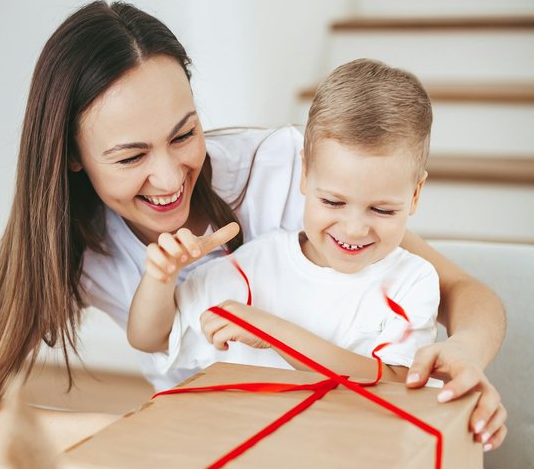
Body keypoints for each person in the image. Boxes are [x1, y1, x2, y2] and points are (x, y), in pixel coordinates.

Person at [0, 1, 506, 453]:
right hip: (207, 452)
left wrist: (464, 356)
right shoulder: (69, 243)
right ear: (72, 156)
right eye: (131, 156)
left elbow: (463, 292)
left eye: (184, 135)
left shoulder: (285, 175)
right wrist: (116, 431)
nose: (168, 177)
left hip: (341, 440)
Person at [128, 58, 441, 384]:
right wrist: (159, 279)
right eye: (333, 202)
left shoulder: (413, 281)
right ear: (304, 174)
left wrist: (273, 332)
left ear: (416, 195)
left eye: (382, 210)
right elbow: (152, 339)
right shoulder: (253, 267)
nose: (354, 228)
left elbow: (393, 380)